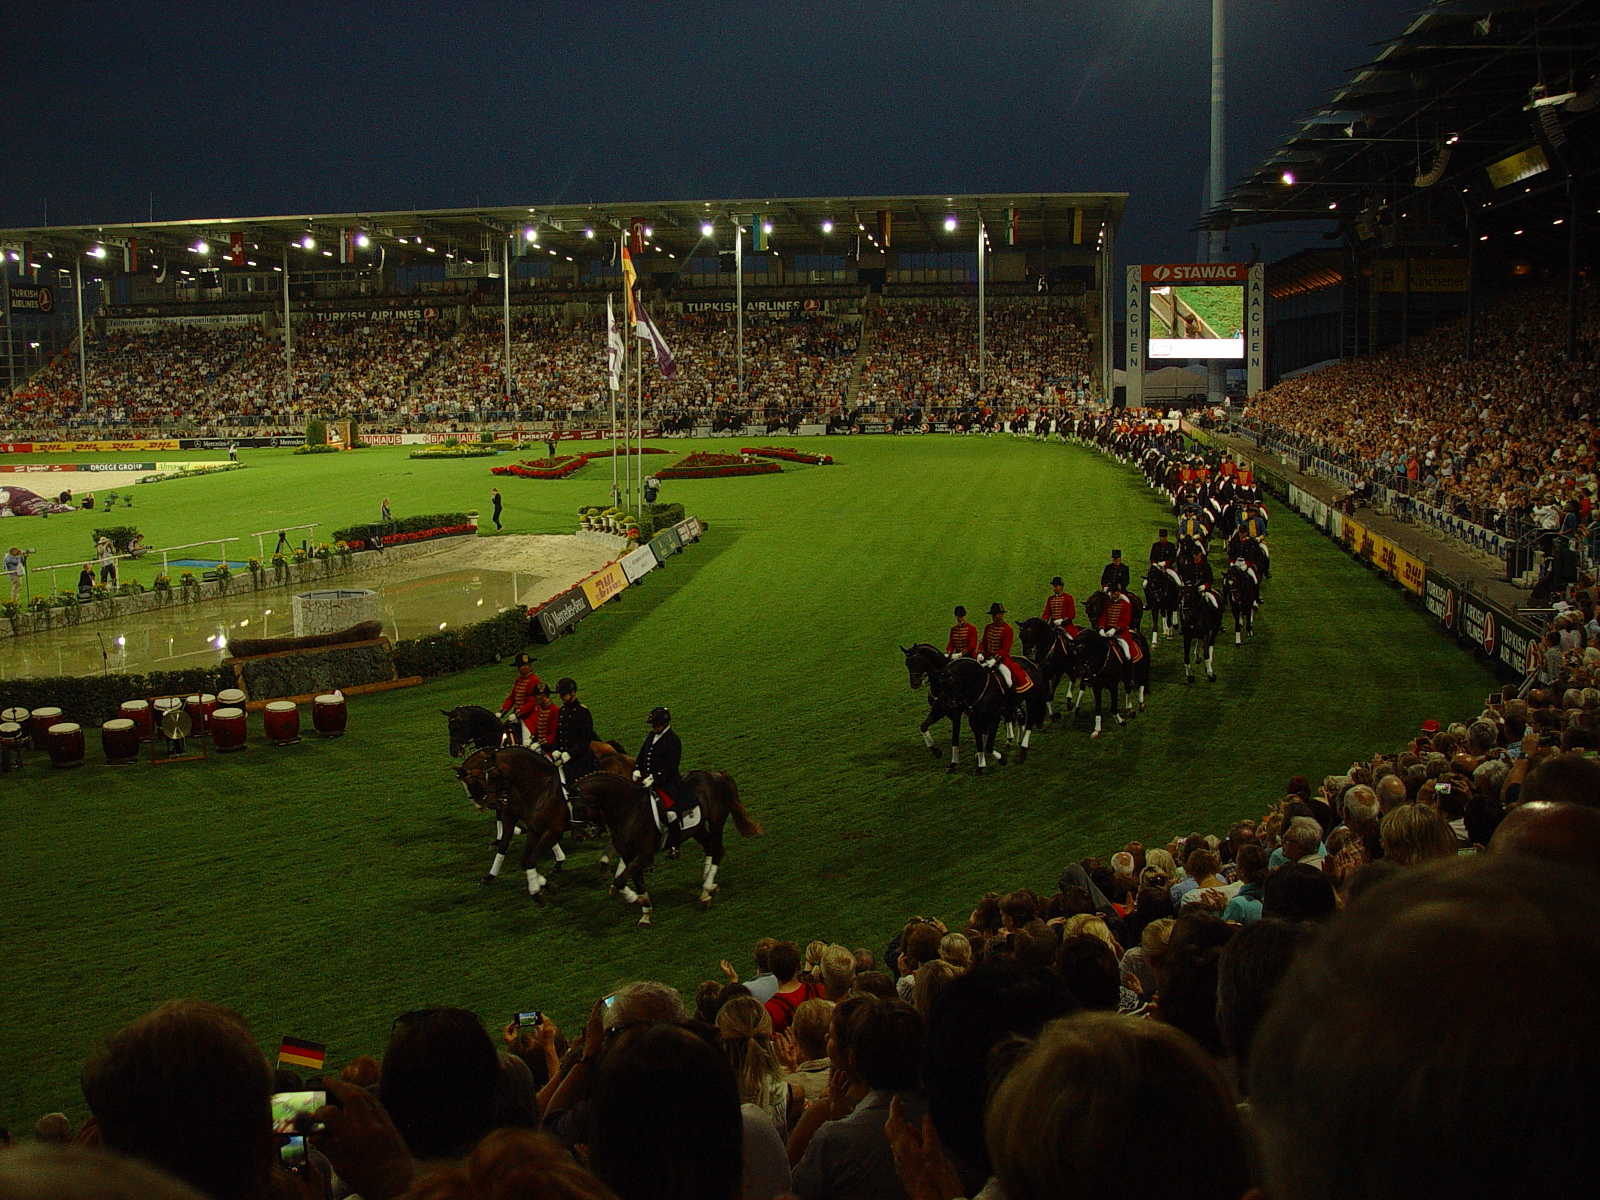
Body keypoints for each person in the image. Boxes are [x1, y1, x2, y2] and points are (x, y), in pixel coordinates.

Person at [636, 706, 685, 852]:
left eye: (656, 724)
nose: (653, 727)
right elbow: (642, 755)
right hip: (647, 780)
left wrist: (655, 779)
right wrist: (637, 769)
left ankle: (674, 845)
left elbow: (671, 767)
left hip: (667, 783)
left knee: (670, 814)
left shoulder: (673, 740)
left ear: (665, 723)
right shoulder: (651, 736)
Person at [553, 678, 599, 783]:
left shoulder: (582, 711)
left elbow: (585, 738)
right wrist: (555, 749)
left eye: (563, 694)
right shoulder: (562, 711)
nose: (560, 697)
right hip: (566, 762)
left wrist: (571, 753)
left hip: (581, 761)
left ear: (572, 693)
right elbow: (559, 733)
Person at [979, 603, 1030, 691]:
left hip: (1001, 661)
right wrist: (980, 652)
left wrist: (995, 660)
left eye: (996, 615)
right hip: (987, 658)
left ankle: (1011, 697)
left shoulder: (1008, 629)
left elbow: (1005, 649)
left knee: (1008, 681)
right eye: (993, 615)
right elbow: (983, 643)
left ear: (1001, 614)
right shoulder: (988, 627)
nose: (994, 617)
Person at [499, 652, 543, 745]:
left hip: (530, 717)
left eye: (520, 666)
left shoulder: (534, 680)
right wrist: (501, 712)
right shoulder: (518, 680)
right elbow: (512, 698)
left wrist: (518, 713)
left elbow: (532, 702)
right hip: (517, 715)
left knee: (526, 740)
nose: (518, 669)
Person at [1093, 584, 1140, 664]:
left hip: (1120, 633)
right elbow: (1104, 616)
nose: (1112, 595)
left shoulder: (1125, 605)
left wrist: (1115, 629)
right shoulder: (1108, 603)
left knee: (1127, 654)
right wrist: (1101, 628)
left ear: (1119, 592)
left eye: (1114, 593)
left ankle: (1128, 667)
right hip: (1106, 632)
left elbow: (1125, 621)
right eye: (1111, 593)